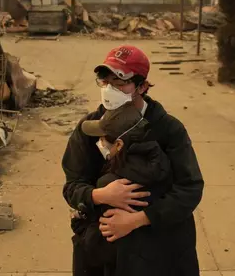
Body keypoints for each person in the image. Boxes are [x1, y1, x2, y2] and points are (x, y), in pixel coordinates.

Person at [62, 45, 204, 276]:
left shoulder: (168, 129)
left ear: (142, 86)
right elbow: (73, 185)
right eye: (105, 82)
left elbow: (189, 189)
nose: (109, 90)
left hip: (160, 250)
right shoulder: (89, 128)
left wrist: (138, 219)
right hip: (105, 251)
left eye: (119, 83)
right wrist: (100, 195)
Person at [71, 102, 172, 274]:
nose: (100, 142)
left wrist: (79, 224)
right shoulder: (163, 166)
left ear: (118, 145)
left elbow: (99, 245)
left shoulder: (113, 185)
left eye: (102, 138)